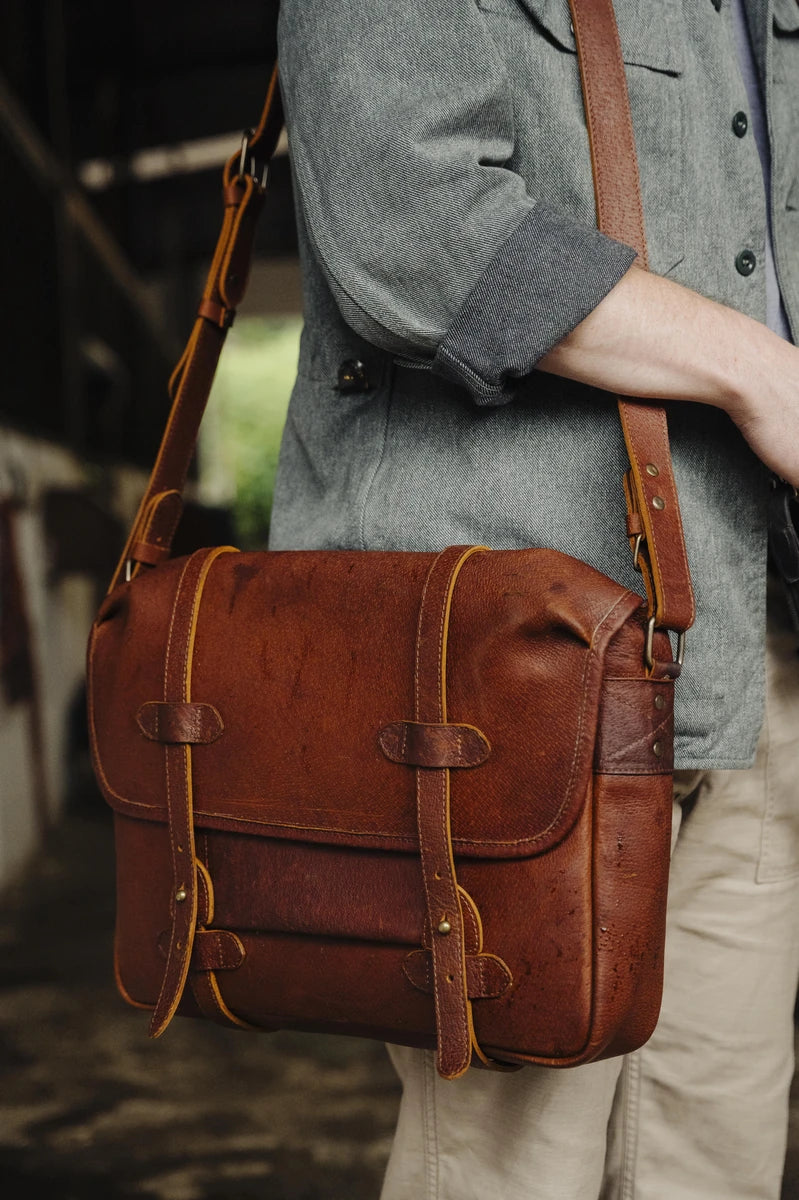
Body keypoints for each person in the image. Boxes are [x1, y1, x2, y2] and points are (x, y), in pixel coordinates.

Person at [269, 1, 799, 1196]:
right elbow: (411, 228)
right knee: (509, 1170)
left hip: (751, 646)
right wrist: (757, 373)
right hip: (521, 666)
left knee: (716, 1162)